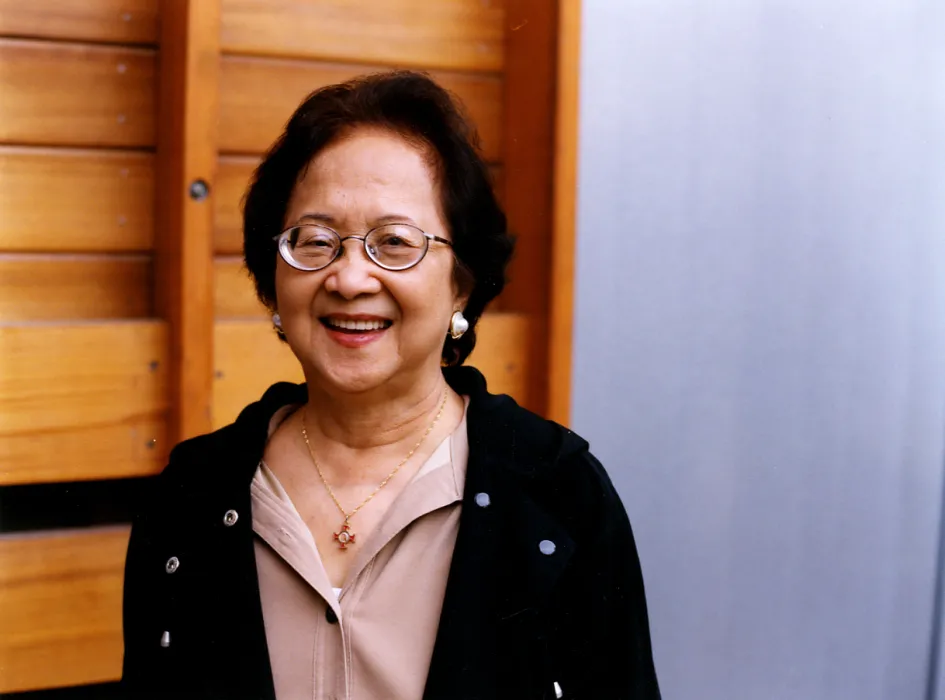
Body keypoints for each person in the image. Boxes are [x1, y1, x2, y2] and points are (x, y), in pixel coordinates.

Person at [121, 70, 660, 699]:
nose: (350, 278)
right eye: (316, 240)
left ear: (462, 281)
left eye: (394, 243)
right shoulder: (191, 494)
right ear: (273, 281)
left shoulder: (556, 493)